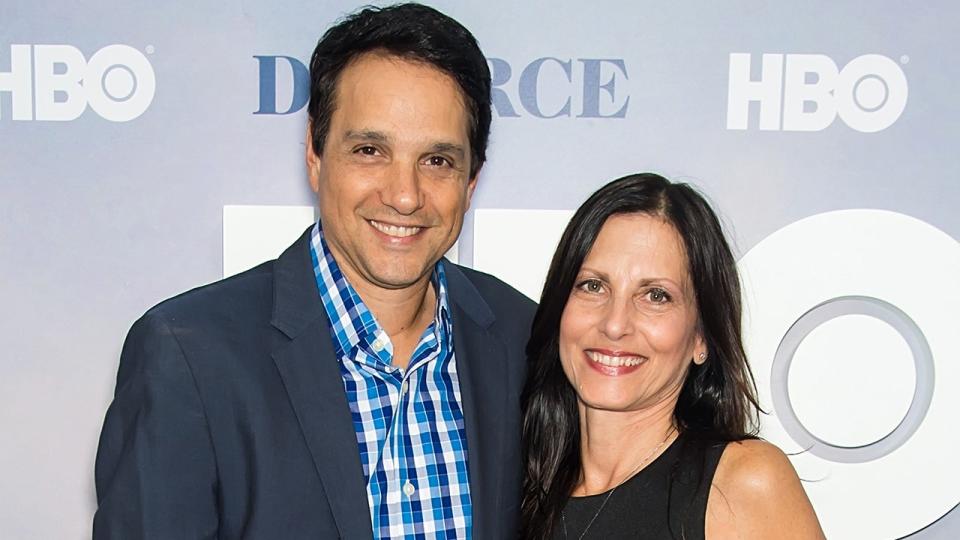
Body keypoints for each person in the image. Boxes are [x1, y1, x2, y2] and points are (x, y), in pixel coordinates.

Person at [93, 4, 535, 539]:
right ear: (315, 155)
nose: (404, 194)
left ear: (471, 180)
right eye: (370, 150)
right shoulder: (187, 358)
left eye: (437, 160)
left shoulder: (524, 338)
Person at [520, 173, 824, 539]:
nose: (615, 324)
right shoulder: (514, 495)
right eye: (593, 286)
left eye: (656, 296)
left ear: (701, 337)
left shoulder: (740, 483)